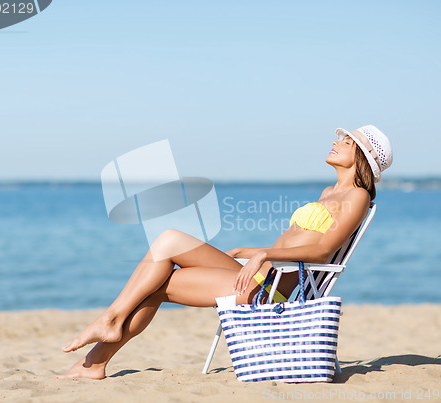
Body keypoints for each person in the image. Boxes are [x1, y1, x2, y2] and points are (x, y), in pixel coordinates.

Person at [56, 125, 393, 379]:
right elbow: (296, 241)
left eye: (345, 141)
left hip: (272, 290)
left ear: (361, 157)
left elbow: (321, 252)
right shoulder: (327, 191)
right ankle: (104, 338)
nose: (335, 141)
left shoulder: (357, 197)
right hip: (261, 271)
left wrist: (262, 255)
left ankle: (99, 350)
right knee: (169, 240)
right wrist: (255, 251)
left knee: (157, 280)